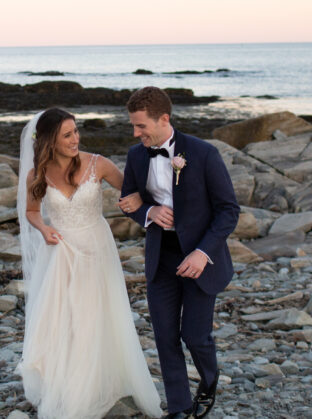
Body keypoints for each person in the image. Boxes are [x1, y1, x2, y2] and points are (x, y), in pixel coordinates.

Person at [16, 107, 163, 419]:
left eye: (76, 131)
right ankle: (65, 383)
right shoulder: (37, 174)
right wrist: (44, 229)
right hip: (60, 252)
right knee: (64, 318)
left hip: (96, 249)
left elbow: (134, 193)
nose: (75, 139)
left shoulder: (99, 164)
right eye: (67, 135)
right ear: (49, 142)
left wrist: (146, 204)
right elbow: (31, 211)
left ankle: (98, 383)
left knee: (95, 315)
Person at [117, 87, 240, 418]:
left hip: (201, 258)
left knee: (195, 336)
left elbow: (228, 210)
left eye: (141, 126)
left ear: (164, 119)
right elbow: (128, 199)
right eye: (133, 126)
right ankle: (179, 409)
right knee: (165, 337)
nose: (135, 133)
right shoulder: (136, 155)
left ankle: (209, 381)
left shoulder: (203, 154)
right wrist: (149, 213)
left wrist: (202, 253)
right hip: (162, 256)